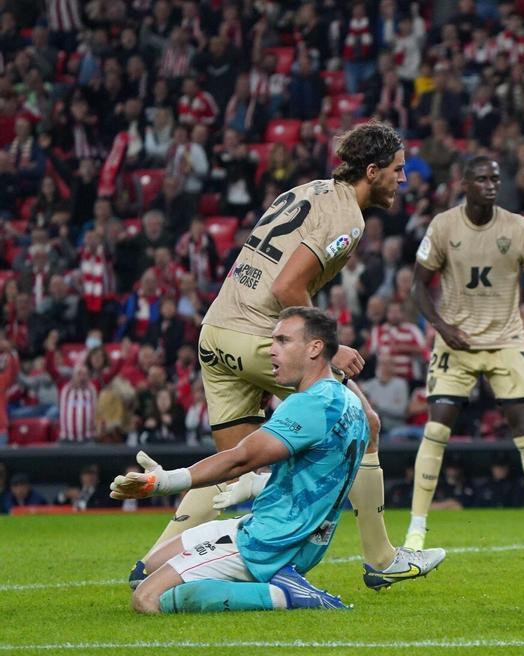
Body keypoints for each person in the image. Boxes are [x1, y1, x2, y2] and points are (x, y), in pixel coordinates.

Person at [130, 121, 419, 591]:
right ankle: (382, 559)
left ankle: (149, 566)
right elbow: (287, 286)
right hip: (259, 336)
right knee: (365, 422)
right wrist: (327, 345)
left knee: (237, 466)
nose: (402, 179)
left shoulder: (307, 190)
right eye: (397, 170)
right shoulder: (349, 216)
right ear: (372, 170)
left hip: (216, 331)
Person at [110, 309, 446, 614]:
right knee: (143, 572)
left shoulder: (309, 406)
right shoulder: (347, 401)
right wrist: (254, 485)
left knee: (146, 598)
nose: (272, 349)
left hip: (267, 541)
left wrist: (163, 482)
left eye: (283, 340)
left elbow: (240, 459)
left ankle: (286, 596)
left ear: (315, 348)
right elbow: (315, 474)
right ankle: (358, 562)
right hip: (293, 534)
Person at [406, 156, 524, 552]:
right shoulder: (443, 226)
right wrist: (442, 328)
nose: (491, 185)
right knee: (436, 428)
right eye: (482, 178)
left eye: (495, 178)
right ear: (464, 183)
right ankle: (416, 527)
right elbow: (418, 288)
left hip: (506, 340)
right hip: (455, 342)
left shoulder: (517, 226)